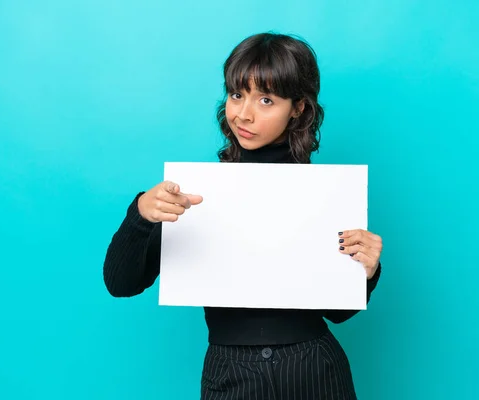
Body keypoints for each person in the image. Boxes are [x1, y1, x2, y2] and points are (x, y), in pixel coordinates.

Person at [103, 32, 383, 400]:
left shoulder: (326, 194)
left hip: (314, 370)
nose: (243, 114)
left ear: (298, 107)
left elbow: (338, 312)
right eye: (237, 94)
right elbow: (120, 283)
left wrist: (368, 269)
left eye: (266, 99)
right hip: (229, 373)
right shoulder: (195, 194)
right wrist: (141, 214)